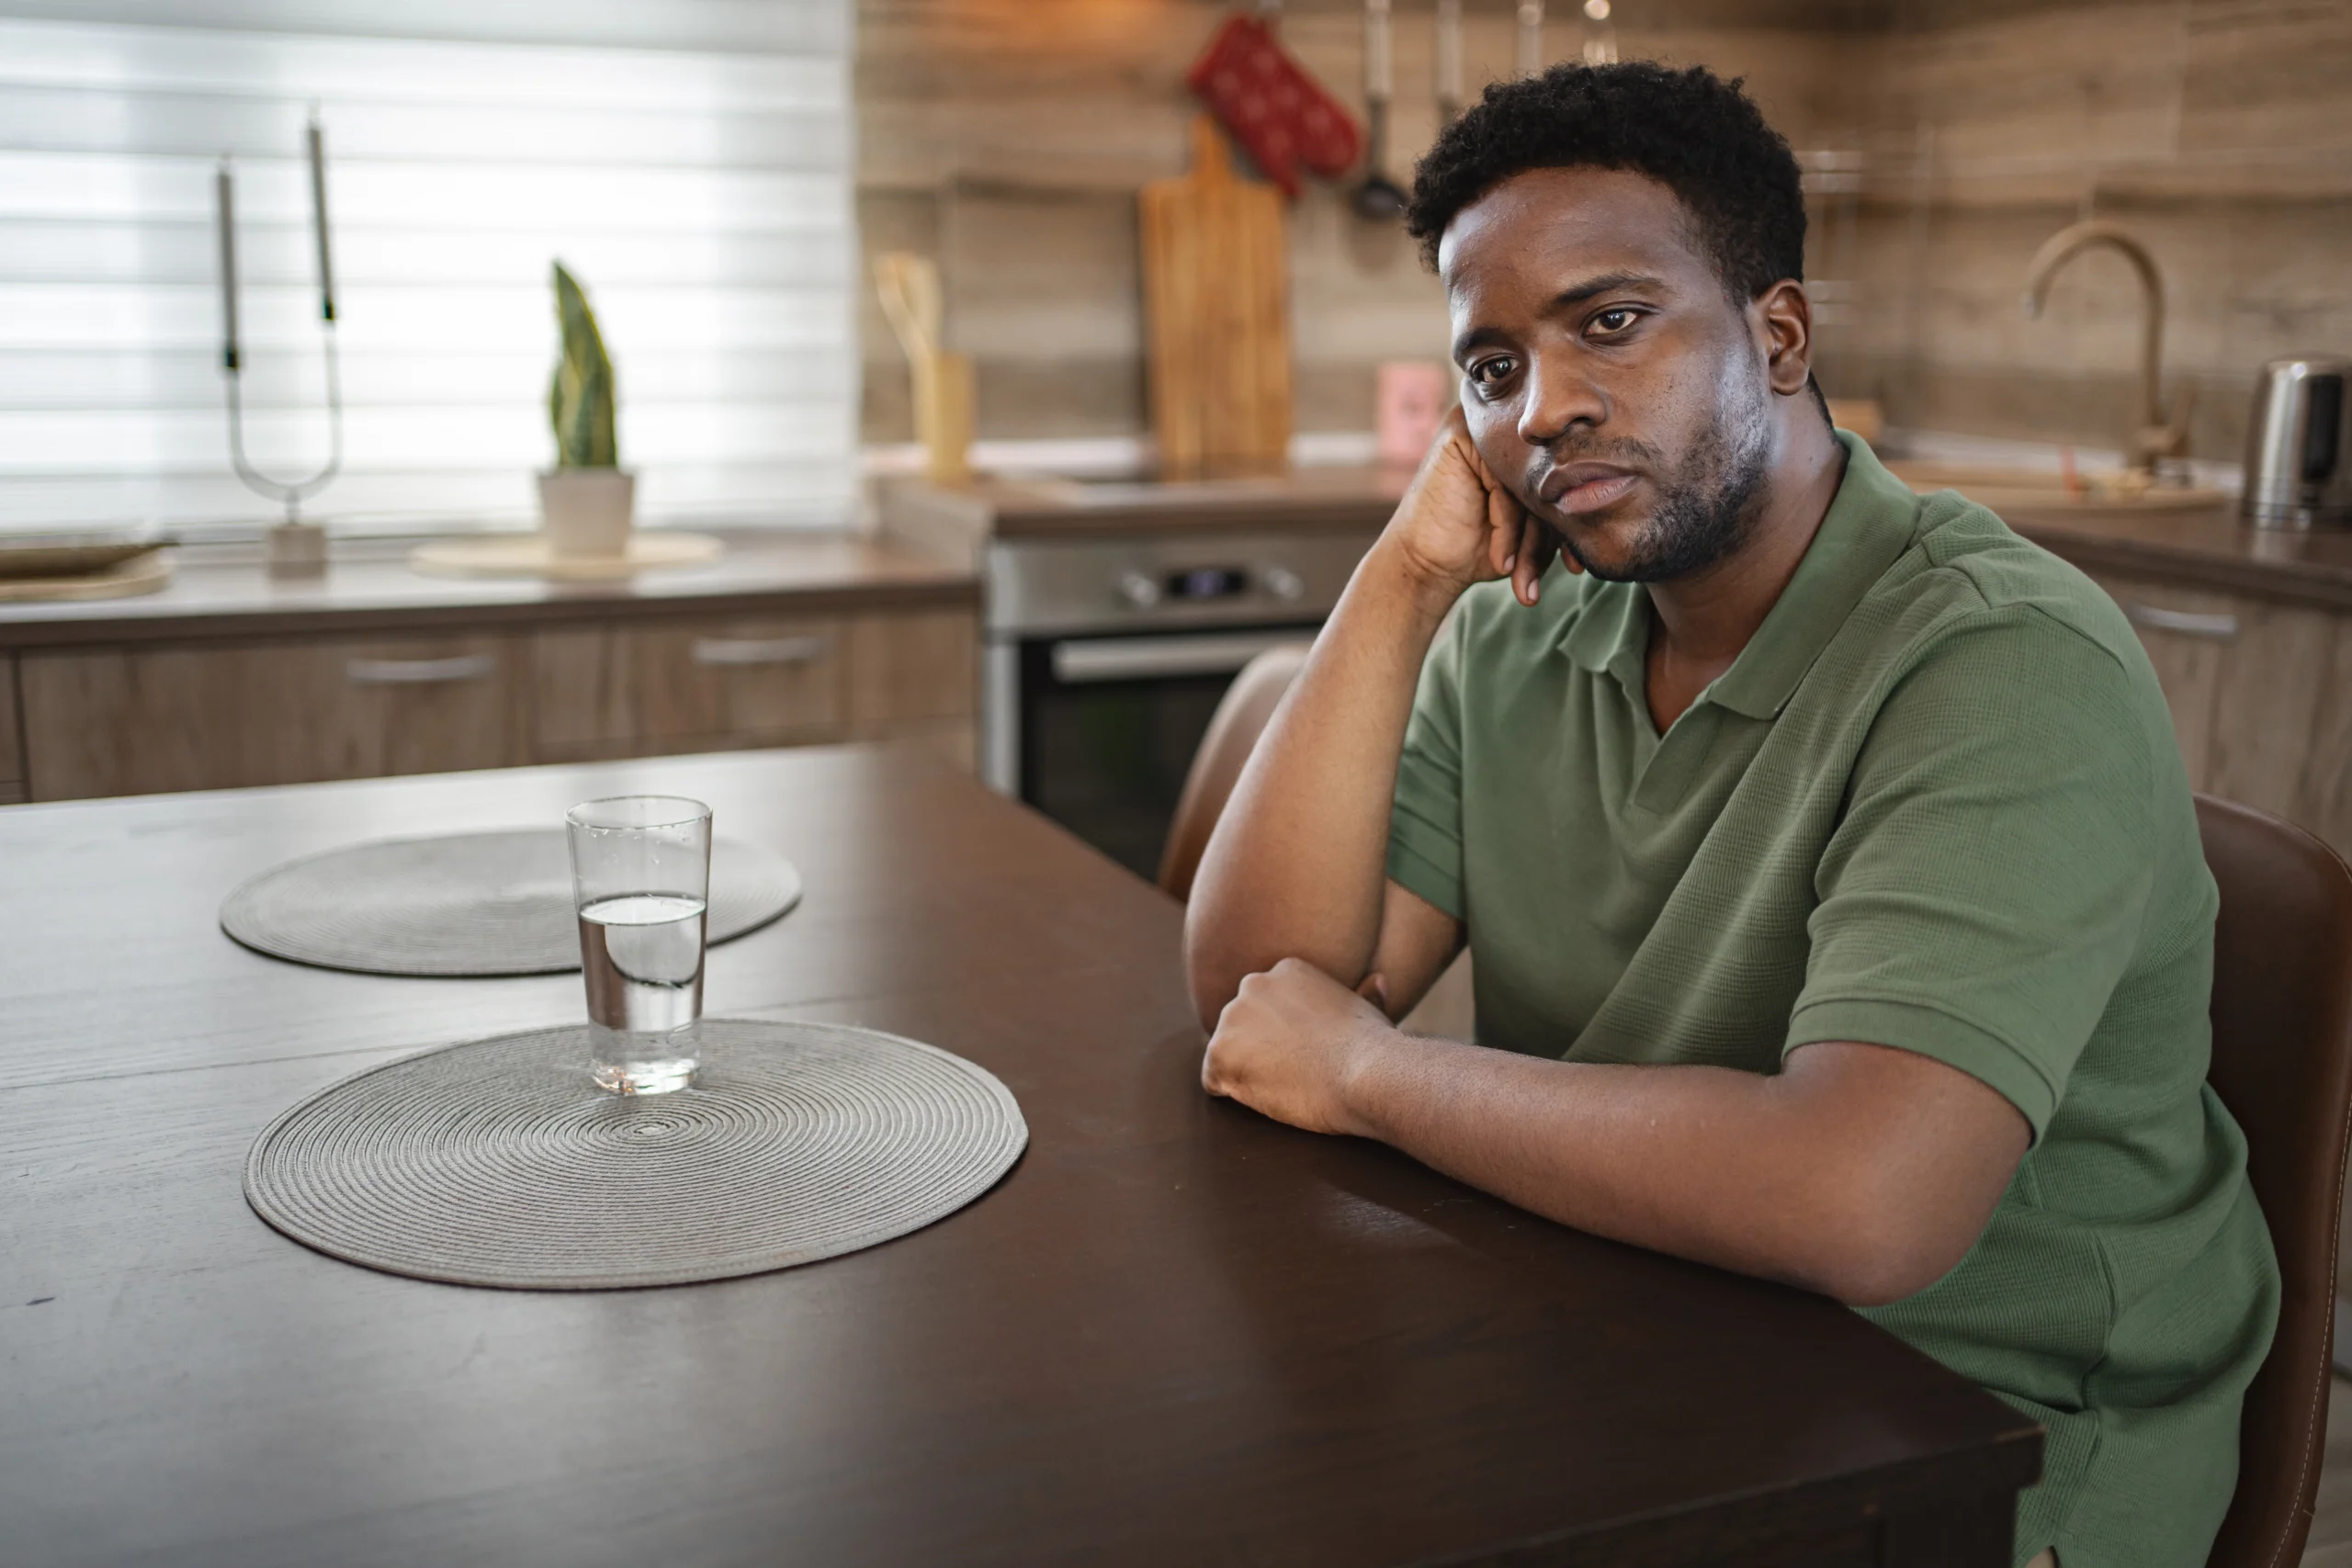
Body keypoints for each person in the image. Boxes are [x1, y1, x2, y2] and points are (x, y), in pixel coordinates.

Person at [1183, 62, 2277, 1568]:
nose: (1546, 406)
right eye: (1491, 367)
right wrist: (1402, 579)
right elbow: (1260, 992)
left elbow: (1864, 1203)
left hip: (1980, 1442)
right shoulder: (1518, 632)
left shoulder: (2002, 661)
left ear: (1778, 334)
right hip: (1643, 1337)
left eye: (1611, 324)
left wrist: (1375, 1075)